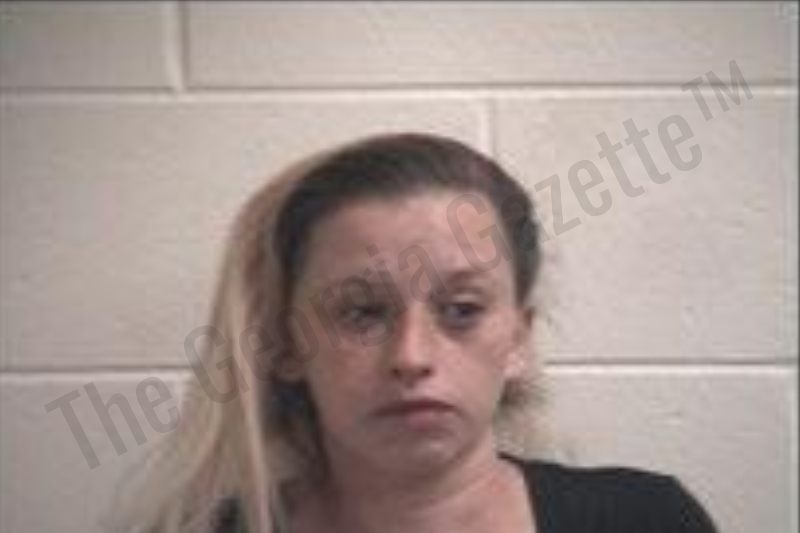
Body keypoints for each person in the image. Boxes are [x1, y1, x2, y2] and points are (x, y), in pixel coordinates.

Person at [114, 132, 719, 533]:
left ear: (518, 339)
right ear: (287, 344)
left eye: (462, 309)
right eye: (361, 313)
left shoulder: (647, 521)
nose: (411, 356)